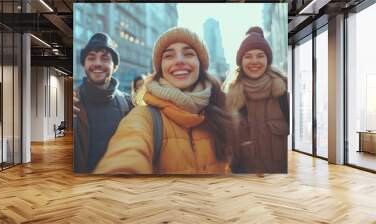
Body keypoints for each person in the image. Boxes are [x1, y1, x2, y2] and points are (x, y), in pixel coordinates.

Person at [94, 27, 234, 174]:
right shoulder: (144, 116)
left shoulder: (219, 112)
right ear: (161, 68)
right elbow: (125, 155)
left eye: (188, 54)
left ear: (200, 64)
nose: (179, 61)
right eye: (169, 56)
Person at [224, 26, 289, 173]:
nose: (254, 61)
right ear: (241, 62)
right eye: (248, 56)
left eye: (260, 55)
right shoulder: (229, 100)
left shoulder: (284, 93)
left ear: (267, 60)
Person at [73, 32, 133, 173]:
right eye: (91, 58)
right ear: (84, 64)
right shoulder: (72, 102)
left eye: (105, 58)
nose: (98, 63)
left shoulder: (129, 104)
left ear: (115, 66)